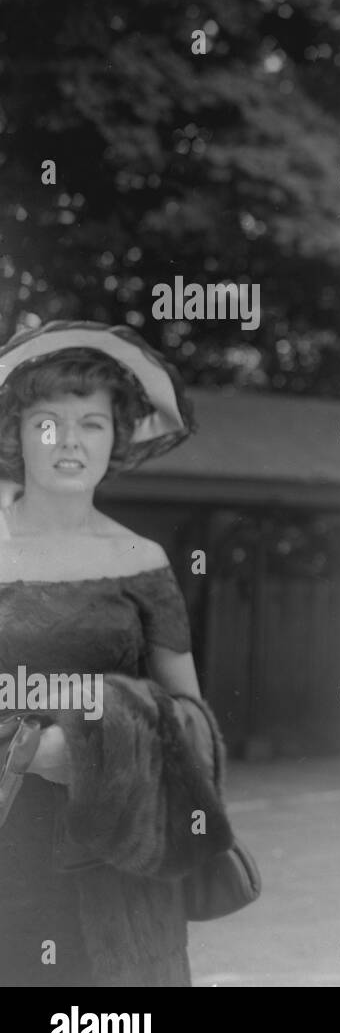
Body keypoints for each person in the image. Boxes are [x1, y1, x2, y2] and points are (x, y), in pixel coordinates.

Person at [0, 320, 231, 986]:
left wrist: (105, 747)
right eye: (48, 422)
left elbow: (194, 722)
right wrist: (26, 749)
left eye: (92, 424)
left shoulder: (144, 561)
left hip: (114, 860)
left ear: (117, 438)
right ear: (17, 433)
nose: (69, 442)